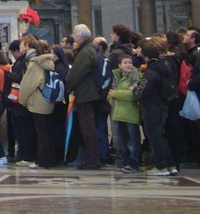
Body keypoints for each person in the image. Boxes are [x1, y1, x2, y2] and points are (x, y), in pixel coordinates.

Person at [65, 24, 102, 170]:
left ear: (79, 36)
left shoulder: (86, 52)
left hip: (86, 93)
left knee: (87, 128)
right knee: (87, 128)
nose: (73, 37)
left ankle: (92, 160)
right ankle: (89, 159)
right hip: (87, 92)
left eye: (74, 35)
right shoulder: (89, 49)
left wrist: (68, 86)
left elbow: (77, 73)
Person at [140, 41, 178, 176]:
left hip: (151, 106)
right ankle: (170, 164)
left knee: (154, 136)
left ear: (146, 57)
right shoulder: (164, 67)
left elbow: (142, 90)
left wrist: (135, 91)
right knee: (161, 135)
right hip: (163, 104)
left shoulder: (151, 71)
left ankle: (161, 166)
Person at [17, 42, 56, 168]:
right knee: (47, 132)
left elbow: (28, 84)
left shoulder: (34, 63)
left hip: (37, 101)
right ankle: (49, 158)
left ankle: (42, 160)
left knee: (40, 133)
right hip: (47, 100)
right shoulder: (49, 62)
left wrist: (22, 100)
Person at [109, 51, 142, 171]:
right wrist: (111, 96)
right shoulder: (116, 76)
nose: (128, 65)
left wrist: (116, 94)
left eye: (130, 63)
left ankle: (134, 162)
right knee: (122, 140)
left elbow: (132, 95)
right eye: (125, 63)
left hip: (131, 113)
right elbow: (110, 92)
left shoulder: (135, 77)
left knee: (133, 140)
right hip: (118, 113)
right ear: (119, 65)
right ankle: (124, 160)